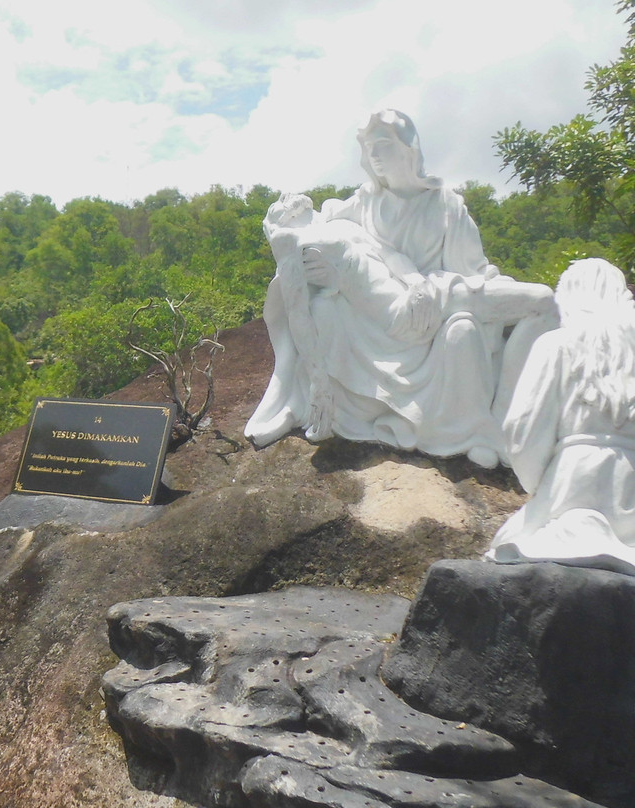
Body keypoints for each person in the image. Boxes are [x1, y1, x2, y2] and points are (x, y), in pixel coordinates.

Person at [245, 109, 556, 466]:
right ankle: (494, 424)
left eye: (384, 144)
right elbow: (298, 308)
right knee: (540, 300)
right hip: (398, 318)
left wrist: (416, 283)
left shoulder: (439, 207)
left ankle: (502, 416)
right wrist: (317, 379)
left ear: (410, 149)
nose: (374, 154)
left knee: (532, 304)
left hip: (433, 296)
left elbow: (396, 257)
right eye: (369, 147)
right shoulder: (329, 225)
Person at [487, 259, 635, 574]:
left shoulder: (556, 344)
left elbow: (524, 428)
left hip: (573, 481)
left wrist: (535, 483)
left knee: (520, 543)